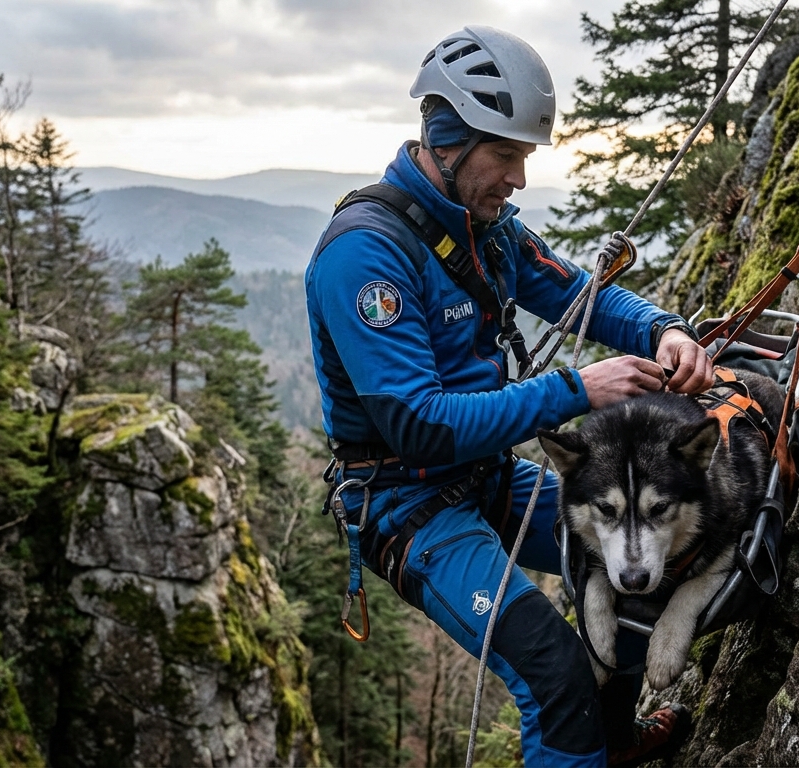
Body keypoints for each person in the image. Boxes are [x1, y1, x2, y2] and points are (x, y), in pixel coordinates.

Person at [305, 25, 714, 767]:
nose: (518, 179)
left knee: (625, 570)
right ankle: (585, 740)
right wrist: (571, 390)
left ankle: (611, 746)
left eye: (523, 158)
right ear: (446, 139)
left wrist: (664, 330)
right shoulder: (365, 256)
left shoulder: (485, 230)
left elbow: (577, 297)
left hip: (485, 475)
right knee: (553, 673)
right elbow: (417, 424)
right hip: (407, 503)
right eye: (505, 156)